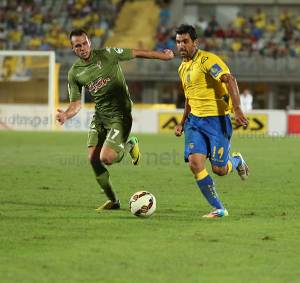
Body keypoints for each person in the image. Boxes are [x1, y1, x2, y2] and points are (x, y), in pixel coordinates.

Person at [56, 29, 174, 210]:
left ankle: (130, 145)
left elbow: (137, 53)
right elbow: (76, 104)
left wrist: (163, 57)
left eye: (85, 43)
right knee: (93, 158)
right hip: (100, 115)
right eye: (78, 45)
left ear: (89, 42)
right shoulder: (74, 73)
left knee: (107, 159)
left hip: (121, 112)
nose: (83, 48)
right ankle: (113, 200)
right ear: (72, 48)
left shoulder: (107, 54)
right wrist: (66, 114)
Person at [174, 24, 249, 218]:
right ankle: (218, 208)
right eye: (178, 42)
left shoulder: (207, 60)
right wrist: (182, 122)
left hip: (217, 121)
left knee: (220, 169)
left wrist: (238, 110)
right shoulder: (182, 67)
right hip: (194, 122)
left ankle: (238, 160)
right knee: (195, 164)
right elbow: (189, 97)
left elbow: (230, 80)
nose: (181, 45)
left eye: (185, 41)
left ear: (195, 42)